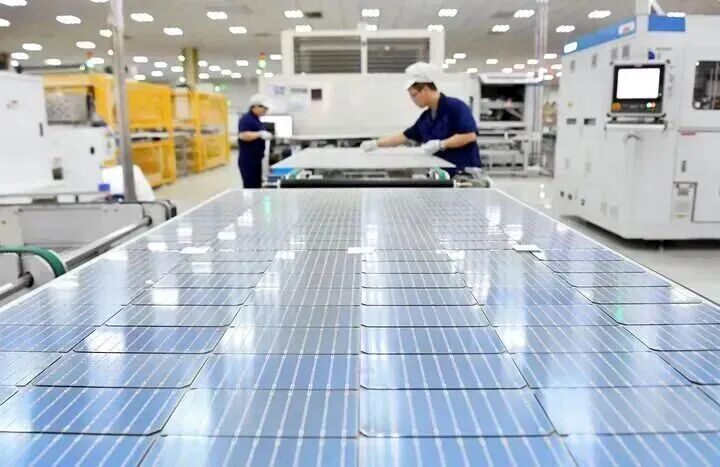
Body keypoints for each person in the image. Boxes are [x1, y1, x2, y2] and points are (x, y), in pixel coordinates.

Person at [360, 62, 481, 174]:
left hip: (463, 173)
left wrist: (441, 144)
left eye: (413, 95)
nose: (412, 100)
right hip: (442, 173)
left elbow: (469, 135)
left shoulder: (455, 107)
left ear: (425, 90)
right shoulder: (426, 117)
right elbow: (404, 136)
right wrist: (376, 143)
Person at [237, 94, 273, 188]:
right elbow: (243, 135)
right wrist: (260, 134)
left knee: (257, 185)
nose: (265, 111)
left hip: (256, 159)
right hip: (248, 160)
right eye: (264, 108)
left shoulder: (256, 119)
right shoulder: (246, 119)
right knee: (251, 187)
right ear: (256, 106)